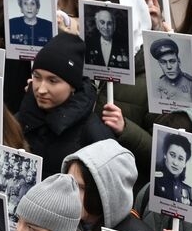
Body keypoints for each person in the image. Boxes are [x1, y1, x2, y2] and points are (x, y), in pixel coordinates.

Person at [15, 34, 118, 184]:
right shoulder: (19, 121)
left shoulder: (93, 133)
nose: (41, 89)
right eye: (37, 77)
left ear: (72, 86)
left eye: (52, 81)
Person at [153, 132, 192, 206]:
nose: (175, 163)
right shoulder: (155, 181)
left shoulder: (187, 189)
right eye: (172, 155)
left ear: (185, 163)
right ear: (165, 154)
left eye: (180, 159)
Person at [149, 37, 192, 103]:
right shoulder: (159, 84)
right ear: (159, 64)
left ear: (179, 61)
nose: (169, 67)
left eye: (172, 61)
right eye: (163, 62)